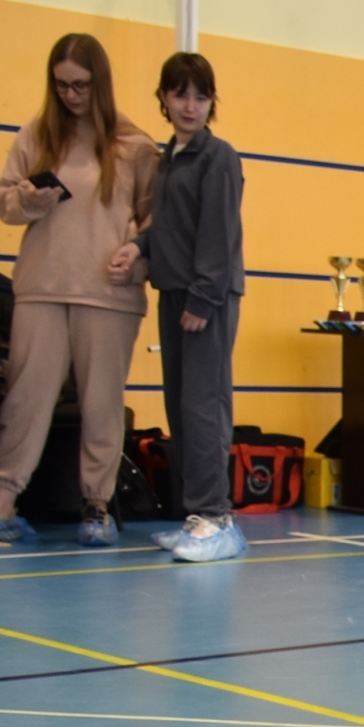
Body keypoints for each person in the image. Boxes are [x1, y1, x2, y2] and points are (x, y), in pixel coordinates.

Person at [0, 34, 158, 549]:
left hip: (107, 290)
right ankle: (1, 500)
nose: (70, 95)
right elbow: (3, 202)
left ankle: (97, 504)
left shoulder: (136, 145)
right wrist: (28, 200)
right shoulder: (37, 134)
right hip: (41, 284)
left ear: (99, 83)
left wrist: (140, 258)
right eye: (60, 85)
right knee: (25, 397)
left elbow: (154, 222)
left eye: (80, 85)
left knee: (102, 403)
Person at [110, 51, 245, 564]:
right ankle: (199, 516)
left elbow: (218, 230)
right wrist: (140, 247)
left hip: (204, 297)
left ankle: (217, 518)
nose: (190, 105)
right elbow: (172, 224)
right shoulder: (169, 157)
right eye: (180, 94)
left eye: (201, 96)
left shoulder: (218, 157)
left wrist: (206, 297)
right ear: (163, 100)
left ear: (212, 102)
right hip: (174, 291)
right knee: (180, 408)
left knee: (203, 406)